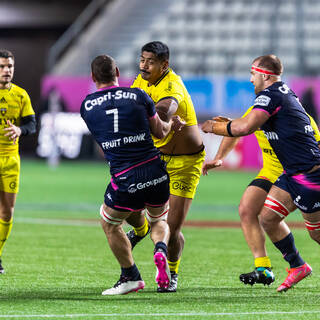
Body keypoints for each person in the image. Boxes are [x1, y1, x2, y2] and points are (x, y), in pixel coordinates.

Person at [202, 54, 320, 292]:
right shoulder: (279, 95)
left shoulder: (271, 96)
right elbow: (242, 126)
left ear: (265, 75)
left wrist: (212, 127)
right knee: (267, 217)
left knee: (317, 235)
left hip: (309, 176)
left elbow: (244, 127)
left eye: (253, 74)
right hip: (290, 175)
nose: (250, 79)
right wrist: (221, 151)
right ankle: (297, 265)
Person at [80, 54, 185, 295]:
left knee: (109, 223)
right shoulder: (139, 96)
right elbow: (160, 132)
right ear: (117, 72)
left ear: (93, 77)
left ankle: (130, 276)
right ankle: (159, 248)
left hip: (125, 177)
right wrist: (172, 124)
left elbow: (104, 139)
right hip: (155, 170)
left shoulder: (86, 106)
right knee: (158, 220)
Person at [125, 41, 205, 292]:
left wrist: (153, 115)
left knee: (172, 226)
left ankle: (171, 274)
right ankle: (141, 229)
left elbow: (165, 108)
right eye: (142, 59)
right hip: (156, 159)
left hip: (186, 162)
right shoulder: (140, 81)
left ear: (164, 64)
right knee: (124, 203)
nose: (144, 65)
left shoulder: (173, 85)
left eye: (150, 61)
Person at [0, 49, 36, 274]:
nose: (6, 70)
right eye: (2, 66)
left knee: (7, 212)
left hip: (11, 160)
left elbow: (32, 125)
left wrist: (20, 130)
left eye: (9, 67)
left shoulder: (21, 95)